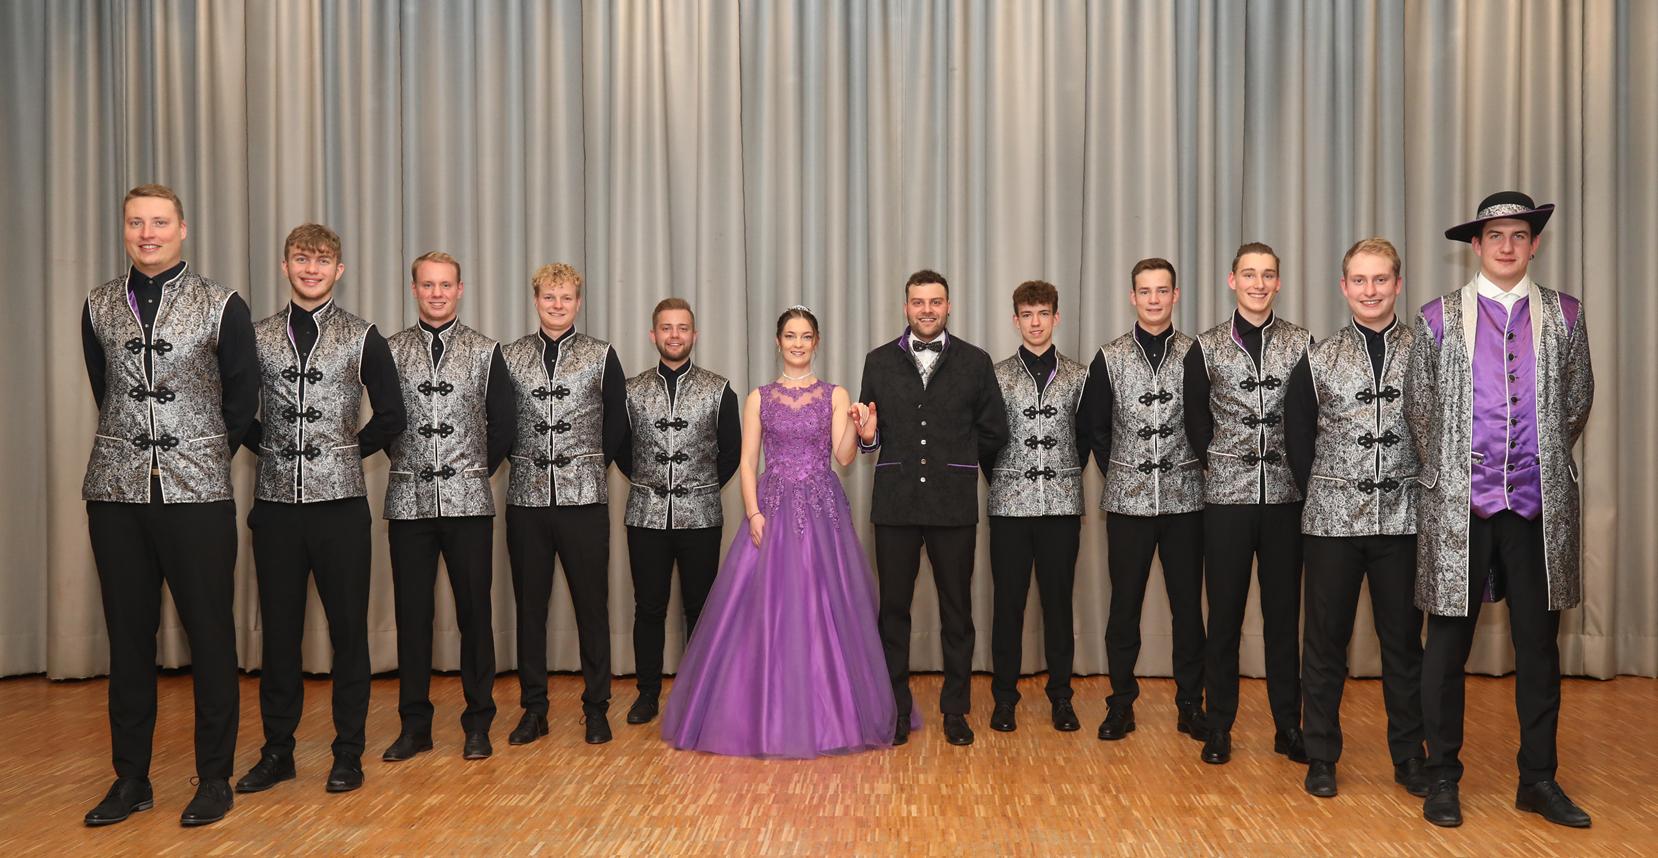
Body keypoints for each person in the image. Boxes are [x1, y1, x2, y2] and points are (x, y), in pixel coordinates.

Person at [1407, 192, 1594, 829]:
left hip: (1538, 507)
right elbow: (1422, 410)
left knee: (1538, 647)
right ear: (1476, 246)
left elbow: (1576, 402)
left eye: (1518, 235)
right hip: (1460, 509)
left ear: (1534, 245)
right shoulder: (1436, 318)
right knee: (1445, 648)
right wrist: (1458, 473)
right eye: (1495, 236)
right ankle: (1442, 776)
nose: (1507, 246)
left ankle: (1538, 778)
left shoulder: (1566, 314)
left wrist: (1535, 461)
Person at [81, 184, 258, 827]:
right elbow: (105, 387)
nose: (147, 233)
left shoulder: (222, 304)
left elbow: (242, 397)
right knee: (128, 640)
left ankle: (214, 778)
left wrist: (200, 455)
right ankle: (131, 779)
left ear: (182, 229)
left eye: (159, 222)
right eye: (136, 222)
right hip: (116, 493)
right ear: (125, 229)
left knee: (210, 636)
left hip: (196, 495)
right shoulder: (98, 304)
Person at [660, 307, 911, 757]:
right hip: (772, 508)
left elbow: (844, 457)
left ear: (817, 342)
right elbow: (746, 463)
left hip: (821, 508)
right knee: (764, 609)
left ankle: (832, 716)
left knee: (823, 605)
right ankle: (759, 712)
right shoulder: (759, 397)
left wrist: (862, 431)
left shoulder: (835, 394)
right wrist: (753, 512)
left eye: (806, 336)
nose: (798, 343)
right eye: (790, 336)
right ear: (778, 342)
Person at [235, 224, 405, 796]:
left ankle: (348, 752)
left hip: (342, 509)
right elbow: (235, 407)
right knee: (279, 635)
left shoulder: (363, 336)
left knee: (348, 631)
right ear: (285, 266)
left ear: (339, 270)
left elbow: (392, 414)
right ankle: (277, 752)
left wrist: (344, 452)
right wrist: (270, 447)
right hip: (276, 508)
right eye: (302, 259)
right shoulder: (257, 336)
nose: (312, 269)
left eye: (323, 260)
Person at [1284, 238, 1427, 799]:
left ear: (1397, 284)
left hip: (1404, 521)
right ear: (1344, 287)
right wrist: (1329, 491)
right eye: (1360, 281)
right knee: (1325, 644)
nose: (1371, 291)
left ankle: (1409, 755)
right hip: (1332, 525)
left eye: (1381, 279)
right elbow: (1299, 437)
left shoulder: (1425, 351)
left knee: (1404, 644)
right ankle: (1321, 754)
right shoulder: (1318, 357)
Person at [856, 270, 1009, 747]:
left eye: (935, 301)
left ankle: (956, 710)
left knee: (957, 611)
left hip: (953, 505)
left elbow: (995, 431)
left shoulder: (976, 361)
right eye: (918, 302)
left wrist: (956, 461)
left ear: (948, 306)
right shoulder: (878, 360)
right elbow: (869, 431)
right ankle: (896, 711)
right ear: (906, 308)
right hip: (895, 505)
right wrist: (868, 438)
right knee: (893, 611)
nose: (927, 310)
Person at [381, 251, 514, 763]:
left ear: (460, 290)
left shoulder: (485, 350)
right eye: (428, 285)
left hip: (468, 505)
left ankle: (478, 722)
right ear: (414, 289)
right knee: (412, 616)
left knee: (474, 614)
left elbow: (503, 425)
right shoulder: (391, 350)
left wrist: (469, 471)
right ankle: (414, 726)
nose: (436, 293)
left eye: (445, 285)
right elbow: (387, 420)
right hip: (408, 503)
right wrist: (413, 463)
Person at [1184, 242, 1312, 765]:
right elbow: (1195, 420)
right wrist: (1221, 462)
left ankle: (1289, 727)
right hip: (1227, 501)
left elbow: (1310, 417)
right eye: (1249, 274)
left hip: (1285, 500)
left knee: (1283, 618)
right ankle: (1219, 725)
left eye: (1268, 275)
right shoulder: (1206, 346)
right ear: (1232, 280)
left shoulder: (1303, 343)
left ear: (1278, 283)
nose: (1258, 284)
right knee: (1225, 618)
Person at [1079, 258, 1208, 744]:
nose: (1154, 299)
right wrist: (1125, 473)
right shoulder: (1108, 357)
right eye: (1145, 291)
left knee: (1188, 610)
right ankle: (1120, 704)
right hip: (1127, 505)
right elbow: (1095, 428)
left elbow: (1208, 420)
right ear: (1132, 297)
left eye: (1162, 290)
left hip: (1186, 503)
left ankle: (1190, 705)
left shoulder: (1197, 353)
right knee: (1124, 608)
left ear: (1176, 295)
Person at [500, 263, 627, 746]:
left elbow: (617, 422)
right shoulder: (509, 356)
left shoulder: (601, 354)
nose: (557, 305)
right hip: (527, 501)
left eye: (566, 297)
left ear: (578, 302)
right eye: (549, 297)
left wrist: (587, 466)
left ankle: (596, 708)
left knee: (591, 607)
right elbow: (499, 419)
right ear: (536, 300)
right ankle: (534, 709)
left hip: (584, 501)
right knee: (530, 609)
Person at [615, 298, 741, 725]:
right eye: (666, 328)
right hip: (645, 515)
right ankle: (647, 694)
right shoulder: (631, 390)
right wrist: (652, 483)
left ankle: (699, 696)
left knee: (700, 608)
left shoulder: (719, 389)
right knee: (649, 607)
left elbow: (731, 453)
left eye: (682, 328)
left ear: (694, 335)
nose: (674, 335)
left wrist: (697, 488)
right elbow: (621, 449)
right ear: (653, 335)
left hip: (700, 517)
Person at [985, 280, 1088, 734]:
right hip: (1009, 507)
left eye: (1043, 313)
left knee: (1058, 604)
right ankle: (1004, 698)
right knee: (1008, 605)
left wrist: (1059, 474)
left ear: (1056, 317)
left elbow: (1086, 438)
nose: (1035, 323)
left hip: (1061, 507)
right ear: (1015, 320)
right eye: (1027, 315)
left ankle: (1061, 697)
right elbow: (987, 441)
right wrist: (1009, 478)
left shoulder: (1078, 376)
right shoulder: (996, 375)